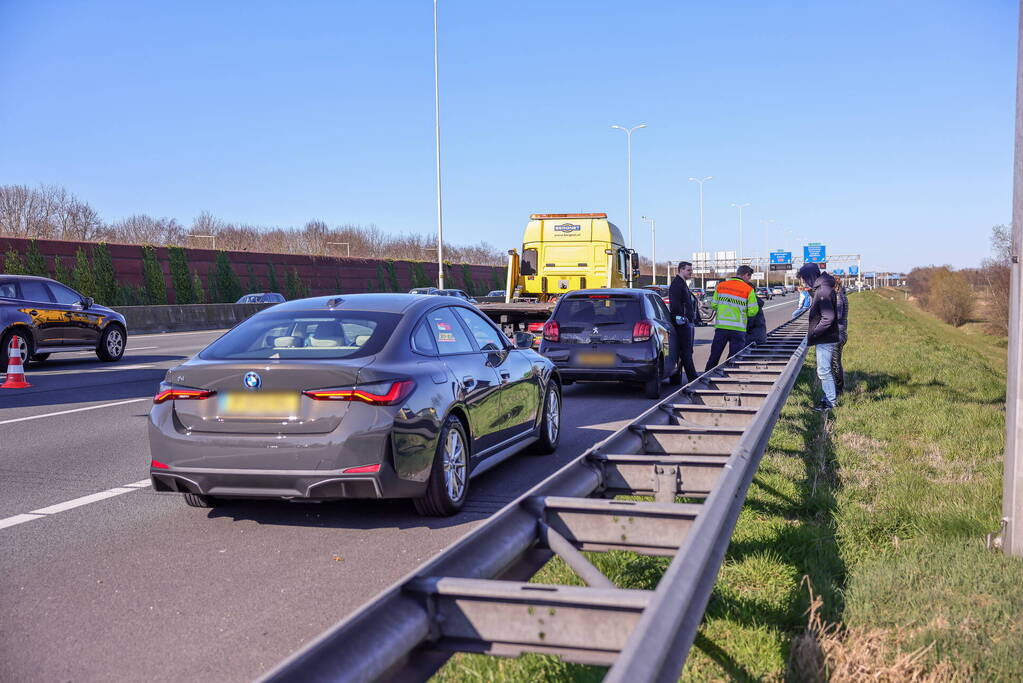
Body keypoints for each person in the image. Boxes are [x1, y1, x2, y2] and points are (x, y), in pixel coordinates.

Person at [797, 263, 840, 411]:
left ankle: (830, 402)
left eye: (804, 279)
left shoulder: (823, 291)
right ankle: (828, 398)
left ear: (809, 276)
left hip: (825, 337)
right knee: (824, 370)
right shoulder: (822, 288)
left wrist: (814, 332)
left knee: (823, 371)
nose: (804, 282)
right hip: (826, 336)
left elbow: (828, 318)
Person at [704, 265, 759, 371]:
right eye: (749, 277)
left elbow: (714, 305)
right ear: (745, 275)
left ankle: (707, 376)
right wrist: (742, 313)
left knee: (714, 355)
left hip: (721, 328)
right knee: (734, 358)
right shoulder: (748, 289)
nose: (749, 280)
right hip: (738, 328)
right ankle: (727, 375)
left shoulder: (721, 286)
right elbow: (753, 311)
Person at [668, 261, 699, 383]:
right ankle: (692, 378)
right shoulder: (677, 284)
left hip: (685, 322)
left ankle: (687, 377)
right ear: (681, 270)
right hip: (682, 323)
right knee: (686, 351)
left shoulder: (682, 283)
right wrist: (682, 319)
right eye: (688, 270)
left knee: (686, 350)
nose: (691, 272)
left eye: (691, 270)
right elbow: (675, 304)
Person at [832, 278, 849, 395]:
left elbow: (836, 316)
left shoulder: (838, 298)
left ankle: (839, 390)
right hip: (840, 333)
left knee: (835, 363)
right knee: (835, 362)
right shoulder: (841, 295)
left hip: (837, 334)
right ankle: (838, 388)